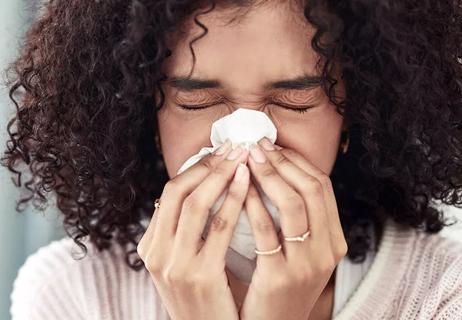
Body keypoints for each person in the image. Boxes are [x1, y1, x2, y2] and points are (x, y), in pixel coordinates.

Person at [4, 0, 462, 319]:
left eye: (296, 100)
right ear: (147, 119)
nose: (245, 144)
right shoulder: (73, 293)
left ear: (354, 119)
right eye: (197, 103)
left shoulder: (445, 292)